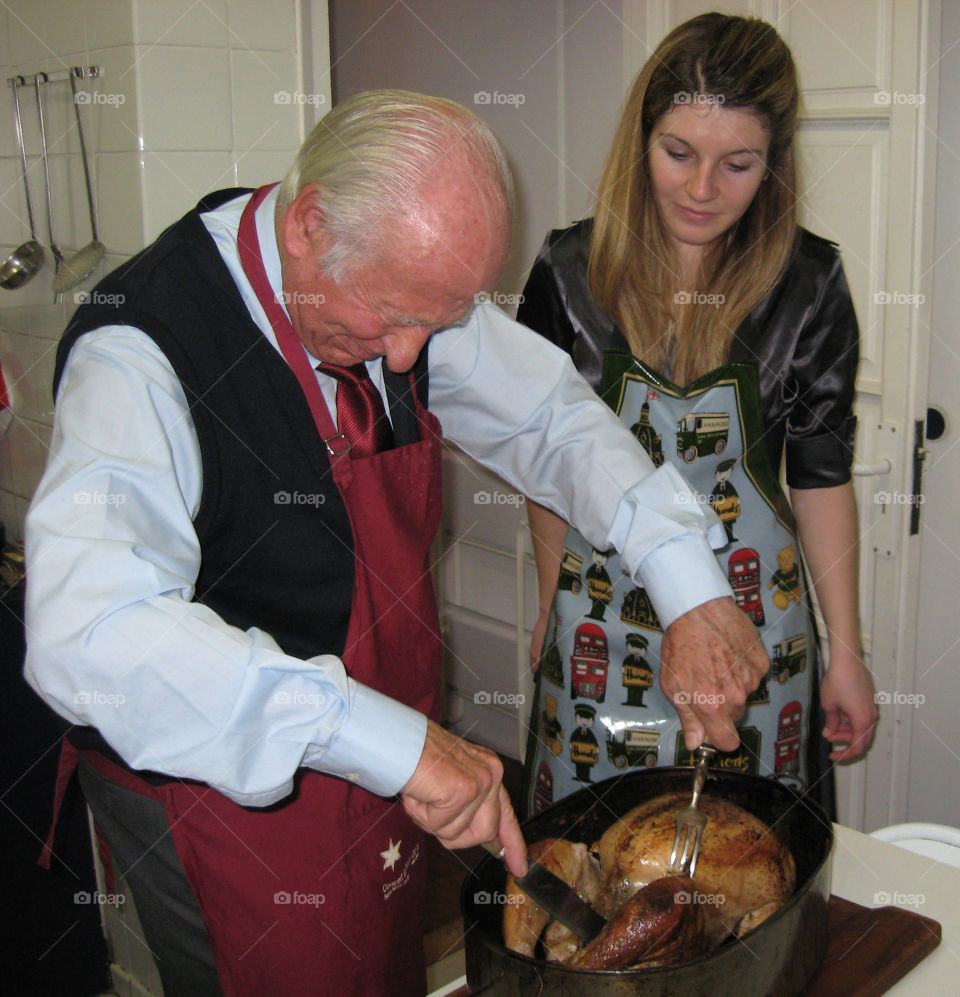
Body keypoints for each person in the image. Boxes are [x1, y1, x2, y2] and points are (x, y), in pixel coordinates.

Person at [24, 90, 767, 997]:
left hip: (380, 764)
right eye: (391, 318)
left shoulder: (397, 283)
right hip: (211, 791)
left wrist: (685, 578)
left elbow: (553, 421)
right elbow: (89, 635)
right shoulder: (139, 356)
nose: (411, 357)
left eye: (441, 321)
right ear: (308, 226)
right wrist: (384, 736)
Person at [520, 13, 878, 818]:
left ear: (774, 165)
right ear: (640, 140)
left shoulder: (811, 282)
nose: (702, 189)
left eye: (738, 164)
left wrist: (847, 650)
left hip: (757, 632)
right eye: (678, 153)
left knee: (749, 854)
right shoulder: (567, 274)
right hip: (598, 627)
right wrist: (552, 601)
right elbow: (541, 459)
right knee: (589, 855)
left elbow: (821, 474)